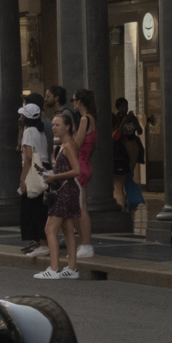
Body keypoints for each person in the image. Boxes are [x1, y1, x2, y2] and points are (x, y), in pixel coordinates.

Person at [35, 113, 81, 279]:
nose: (53, 127)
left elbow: (77, 170)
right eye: (53, 124)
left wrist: (55, 177)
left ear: (67, 127)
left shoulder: (68, 145)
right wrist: (50, 173)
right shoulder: (65, 144)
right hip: (66, 189)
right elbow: (66, 169)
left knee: (49, 229)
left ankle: (54, 269)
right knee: (68, 229)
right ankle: (72, 268)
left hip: (64, 190)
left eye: (57, 125)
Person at [18, 104, 50, 257]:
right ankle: (42, 241)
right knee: (41, 208)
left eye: (22, 115)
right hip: (44, 168)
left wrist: (22, 178)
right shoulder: (39, 131)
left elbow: (29, 157)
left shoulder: (29, 131)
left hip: (34, 170)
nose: (20, 118)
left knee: (33, 208)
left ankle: (43, 243)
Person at [71, 89, 97, 258]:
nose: (72, 102)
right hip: (84, 163)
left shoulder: (84, 119)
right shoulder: (91, 119)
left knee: (80, 208)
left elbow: (76, 144)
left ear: (80, 101)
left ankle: (86, 245)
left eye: (74, 99)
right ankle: (84, 243)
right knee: (77, 208)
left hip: (79, 165)